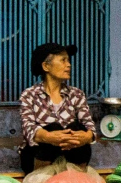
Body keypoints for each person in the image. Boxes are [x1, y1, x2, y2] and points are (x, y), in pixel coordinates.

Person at [19, 43, 97, 174]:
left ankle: (78, 180)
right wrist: (49, 136)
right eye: (63, 60)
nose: (69, 65)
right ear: (46, 66)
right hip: (38, 157)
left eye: (68, 60)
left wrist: (87, 136)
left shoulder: (76, 94)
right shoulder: (29, 95)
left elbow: (90, 126)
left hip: (70, 155)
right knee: (53, 127)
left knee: (75, 127)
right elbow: (28, 128)